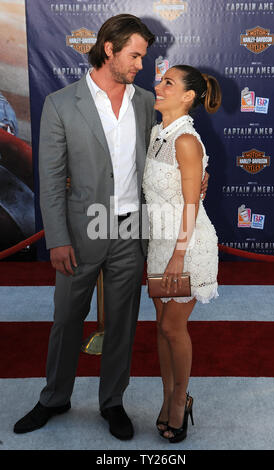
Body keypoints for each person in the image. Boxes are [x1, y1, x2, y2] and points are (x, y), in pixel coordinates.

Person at [13, 15, 208, 440]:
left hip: (132, 233)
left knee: (122, 321)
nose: (141, 64)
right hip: (81, 232)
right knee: (67, 318)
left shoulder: (144, 102)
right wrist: (58, 239)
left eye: (143, 56)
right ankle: (54, 398)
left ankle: (112, 402)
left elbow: (168, 156)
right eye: (135, 55)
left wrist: (196, 178)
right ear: (109, 50)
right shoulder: (62, 103)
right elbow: (50, 177)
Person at [143, 65, 221, 443]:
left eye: (167, 83)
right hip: (161, 244)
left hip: (187, 247)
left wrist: (177, 255)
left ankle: (179, 402)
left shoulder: (186, 141)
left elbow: (191, 204)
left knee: (174, 328)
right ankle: (167, 396)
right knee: (161, 328)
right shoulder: (159, 132)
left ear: (188, 96)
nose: (158, 86)